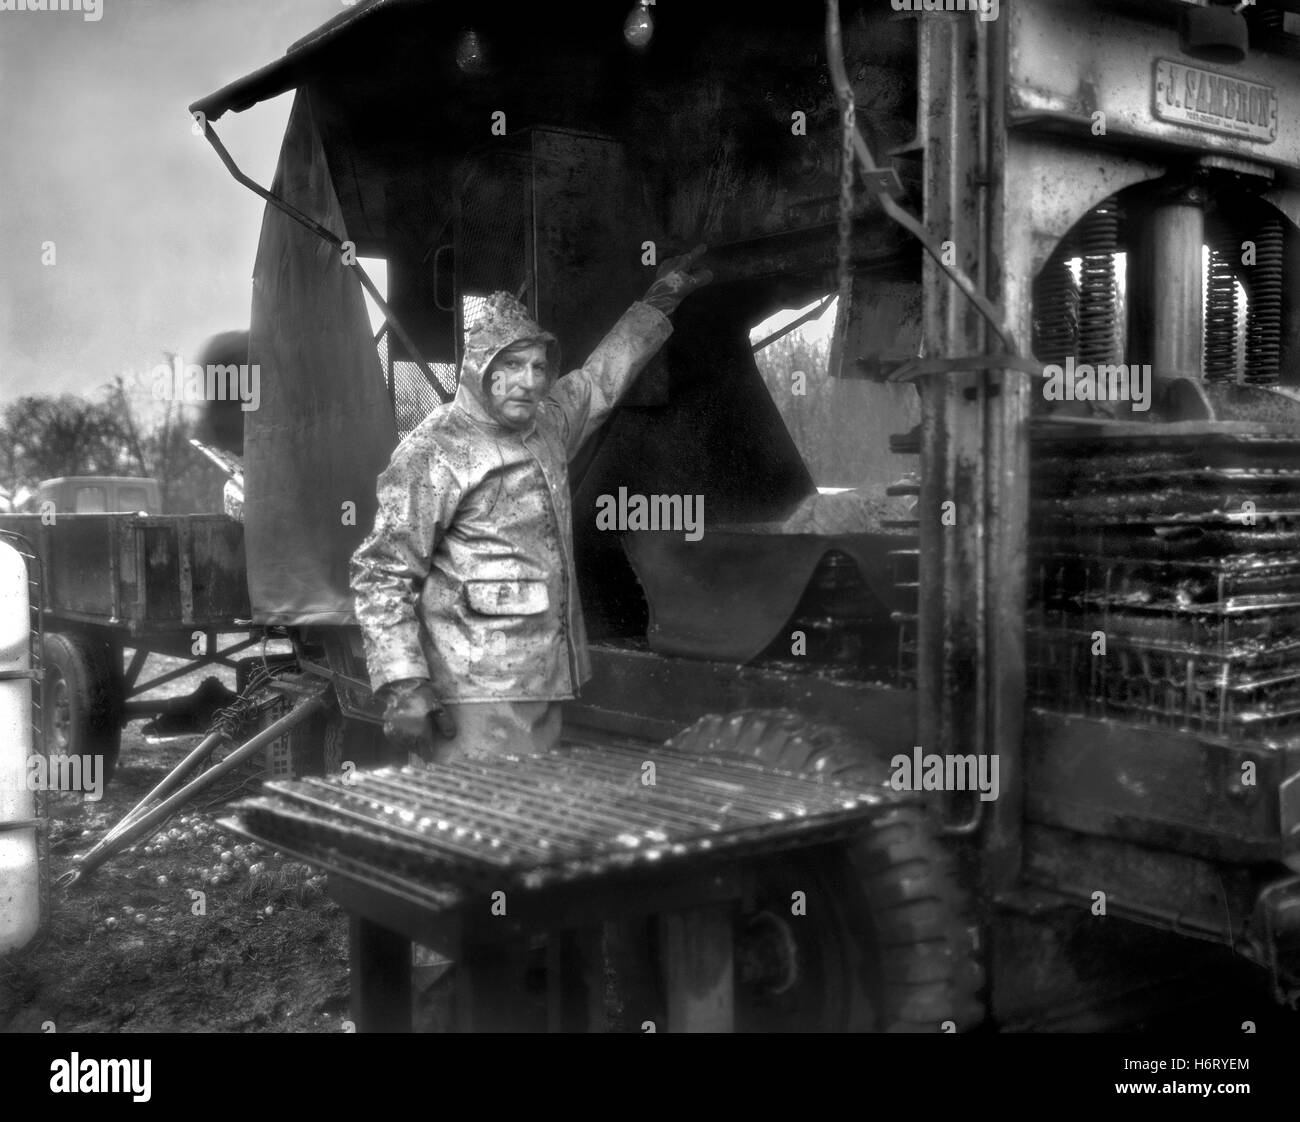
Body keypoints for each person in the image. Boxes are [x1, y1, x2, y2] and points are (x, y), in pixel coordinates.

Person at [350, 247, 712, 764]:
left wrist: (658, 303)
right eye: (512, 365)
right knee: (476, 825)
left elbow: (599, 380)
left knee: (523, 822)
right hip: (471, 691)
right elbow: (382, 572)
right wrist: (404, 684)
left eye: (539, 366)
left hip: (542, 681)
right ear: (480, 369)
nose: (530, 380)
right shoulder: (437, 448)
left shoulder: (545, 427)